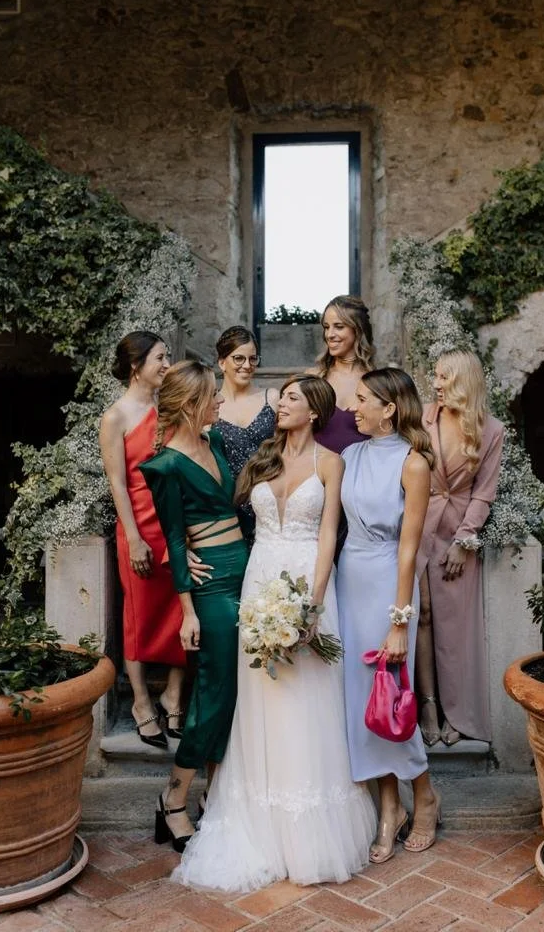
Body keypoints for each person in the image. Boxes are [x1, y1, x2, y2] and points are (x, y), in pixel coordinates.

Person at [176, 375, 376, 890]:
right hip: (259, 578)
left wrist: (314, 603)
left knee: (308, 696)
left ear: (314, 412)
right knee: (261, 695)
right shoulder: (260, 459)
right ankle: (259, 819)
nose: (280, 405)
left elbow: (329, 533)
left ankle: (307, 828)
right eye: (282, 397)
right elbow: (214, 508)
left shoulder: (331, 463)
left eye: (290, 398)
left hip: (308, 581)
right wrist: (188, 548)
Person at [139, 361, 249, 851]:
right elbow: (173, 538)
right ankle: (174, 799)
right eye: (212, 395)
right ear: (190, 404)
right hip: (209, 589)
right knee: (212, 693)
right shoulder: (164, 466)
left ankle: (214, 794)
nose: (221, 401)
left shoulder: (216, 442)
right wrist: (187, 611)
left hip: (244, 571)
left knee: (236, 693)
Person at [337, 367, 441, 860]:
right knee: (365, 699)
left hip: (387, 583)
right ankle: (389, 806)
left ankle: (424, 795)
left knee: (392, 695)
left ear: (389, 409)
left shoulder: (413, 463)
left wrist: (399, 622)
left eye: (362, 400)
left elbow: (409, 549)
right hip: (348, 579)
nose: (352, 407)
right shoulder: (349, 455)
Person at [99, 331, 185, 750]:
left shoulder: (169, 409)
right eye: (160, 358)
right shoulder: (114, 417)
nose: (167, 365)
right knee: (138, 615)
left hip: (173, 523)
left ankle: (173, 695)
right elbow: (117, 482)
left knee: (181, 609)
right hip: (138, 525)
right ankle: (140, 702)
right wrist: (133, 538)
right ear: (137, 366)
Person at [416, 350, 505, 748]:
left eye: (444, 378)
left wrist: (463, 542)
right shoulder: (423, 418)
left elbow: (484, 493)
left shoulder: (492, 430)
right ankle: (427, 708)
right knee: (419, 616)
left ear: (464, 381)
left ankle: (458, 714)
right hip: (417, 527)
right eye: (435, 376)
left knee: (455, 628)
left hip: (456, 535)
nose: (436, 384)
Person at [213, 325, 278, 543]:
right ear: (222, 362)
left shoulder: (272, 398)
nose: (247, 366)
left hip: (268, 503)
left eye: (252, 359)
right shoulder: (210, 406)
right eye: (238, 358)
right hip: (227, 509)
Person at [310, 294, 375, 454]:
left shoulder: (377, 381)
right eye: (326, 327)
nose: (329, 334)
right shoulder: (313, 377)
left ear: (357, 330)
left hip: (363, 467)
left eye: (339, 326)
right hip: (317, 467)